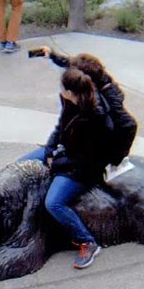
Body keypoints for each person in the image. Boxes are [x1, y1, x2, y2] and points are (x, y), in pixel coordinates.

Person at [19, 67, 108, 269]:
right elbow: (59, 129)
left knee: (54, 203)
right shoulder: (69, 102)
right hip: (64, 154)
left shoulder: (95, 118)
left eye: (62, 88)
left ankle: (87, 241)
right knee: (21, 166)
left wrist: (55, 163)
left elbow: (87, 158)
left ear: (70, 91)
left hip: (82, 170)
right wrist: (49, 151)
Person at [35, 46, 138, 178]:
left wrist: (115, 159)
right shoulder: (90, 77)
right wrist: (52, 55)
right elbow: (72, 65)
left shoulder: (107, 101)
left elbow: (129, 125)